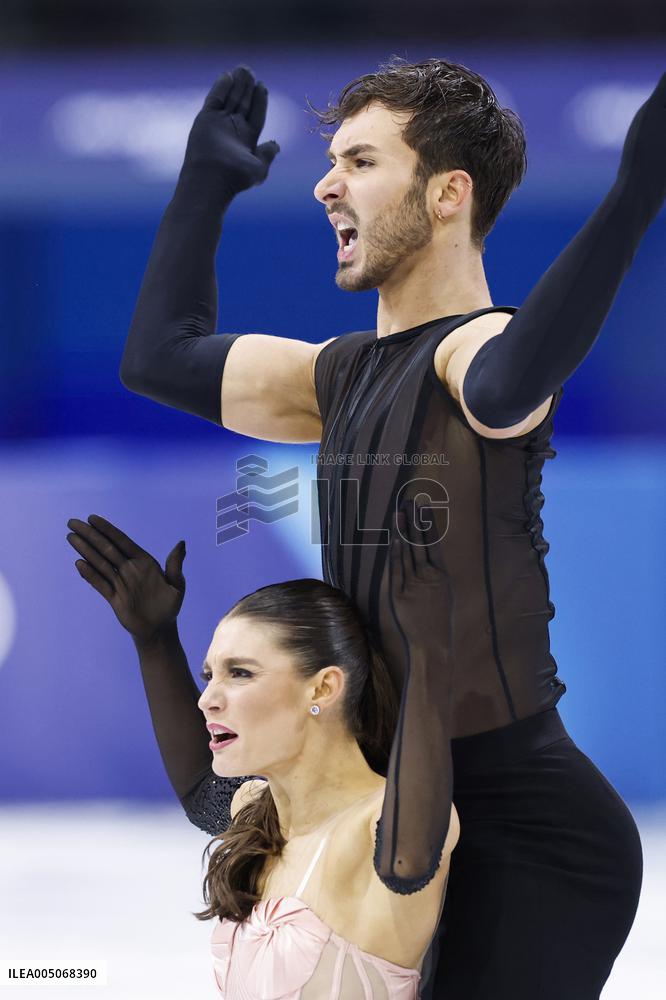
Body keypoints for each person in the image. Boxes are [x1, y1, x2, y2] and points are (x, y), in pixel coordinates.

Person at [113, 59, 662, 996]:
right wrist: (205, 183)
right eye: (331, 160)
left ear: (449, 193)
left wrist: (636, 192)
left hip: (527, 835)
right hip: (381, 795)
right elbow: (158, 358)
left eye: (361, 161)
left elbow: (506, 383)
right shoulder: (339, 376)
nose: (328, 181)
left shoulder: (474, 351)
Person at [66, 507, 460, 998]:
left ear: (322, 689)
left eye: (241, 673)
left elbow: (409, 855)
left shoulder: (381, 822)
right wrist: (154, 641)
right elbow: (202, 791)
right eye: (212, 675)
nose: (208, 698)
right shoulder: (262, 814)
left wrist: (425, 654)